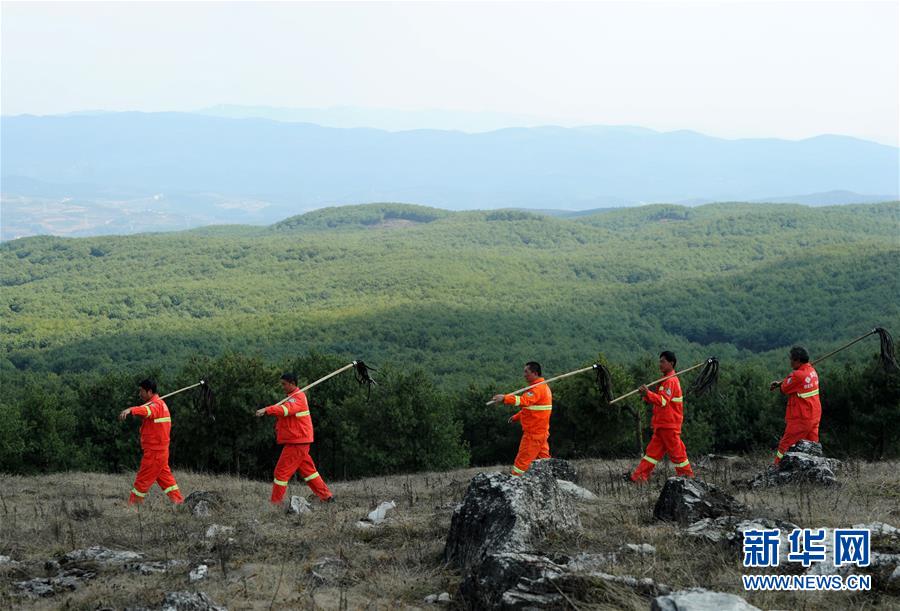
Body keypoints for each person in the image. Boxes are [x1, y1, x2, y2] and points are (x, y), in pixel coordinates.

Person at [256, 373, 334, 503]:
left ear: (292, 383)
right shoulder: (292, 397)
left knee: (280, 473)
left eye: (284, 384)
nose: (282, 387)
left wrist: (267, 410)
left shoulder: (297, 398)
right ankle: (327, 497)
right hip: (299, 441)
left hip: (297, 442)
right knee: (309, 472)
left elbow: (286, 410)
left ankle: (275, 503)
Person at [629, 351, 694, 482]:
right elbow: (658, 400)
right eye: (660, 361)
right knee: (651, 454)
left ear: (671, 363)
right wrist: (646, 394)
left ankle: (688, 479)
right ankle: (638, 478)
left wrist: (648, 393)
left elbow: (663, 401)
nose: (660, 364)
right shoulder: (665, 380)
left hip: (669, 425)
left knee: (678, 454)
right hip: (662, 425)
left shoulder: (670, 381)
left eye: (663, 361)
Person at [118, 379, 184, 504]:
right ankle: (179, 502)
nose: (139, 394)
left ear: (149, 392)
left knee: (142, 481)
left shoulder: (156, 406)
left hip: (155, 453)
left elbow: (147, 412)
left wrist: (131, 410)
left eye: (141, 391)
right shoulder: (160, 404)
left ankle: (133, 506)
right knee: (166, 480)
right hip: (160, 452)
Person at [492, 361, 553, 476]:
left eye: (526, 372)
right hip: (541, 433)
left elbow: (524, 401)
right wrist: (516, 417)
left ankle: (515, 485)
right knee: (544, 461)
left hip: (533, 435)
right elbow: (532, 409)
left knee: (521, 463)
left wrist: (504, 398)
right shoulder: (543, 387)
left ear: (535, 373)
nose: (524, 374)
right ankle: (551, 482)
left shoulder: (537, 389)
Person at [769, 346, 821, 464]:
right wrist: (787, 380)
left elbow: (785, 389)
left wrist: (782, 383)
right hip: (814, 415)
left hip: (801, 418)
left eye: (791, 359)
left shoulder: (797, 375)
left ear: (797, 360)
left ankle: (776, 468)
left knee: (785, 444)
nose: (790, 361)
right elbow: (795, 383)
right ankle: (814, 468)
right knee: (811, 446)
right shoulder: (812, 371)